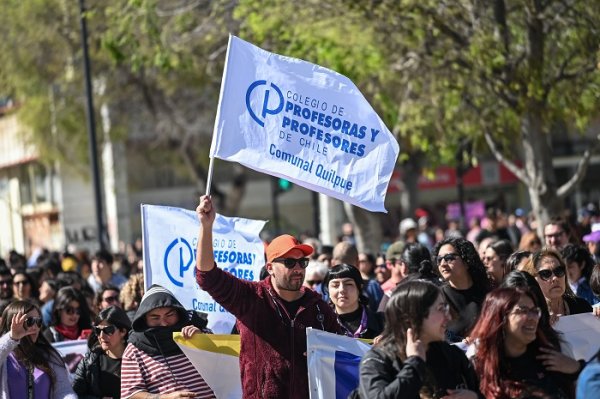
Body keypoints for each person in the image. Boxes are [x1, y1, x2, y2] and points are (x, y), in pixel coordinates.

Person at [195, 195, 341, 399]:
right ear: (270, 267)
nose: (298, 268)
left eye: (302, 263)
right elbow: (207, 277)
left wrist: (373, 345)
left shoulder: (318, 308)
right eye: (290, 262)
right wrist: (206, 226)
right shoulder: (250, 298)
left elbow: (344, 352)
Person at [357, 280, 481, 398]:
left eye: (446, 308)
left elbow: (479, 391)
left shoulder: (452, 355)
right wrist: (414, 364)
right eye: (440, 309)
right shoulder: (378, 360)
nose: (448, 317)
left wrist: (475, 397)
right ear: (412, 316)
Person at [470, 287, 582, 398]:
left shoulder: (548, 359)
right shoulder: (478, 369)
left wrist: (577, 369)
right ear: (500, 318)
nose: (533, 318)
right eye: (523, 311)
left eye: (534, 311)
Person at [120, 284, 215, 398]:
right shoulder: (134, 351)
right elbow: (130, 395)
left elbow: (225, 368)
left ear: (178, 313)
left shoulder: (199, 332)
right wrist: (164, 398)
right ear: (144, 319)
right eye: (155, 318)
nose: (164, 323)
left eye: (169, 315)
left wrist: (203, 341)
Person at [0, 300, 77, 398]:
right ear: (12, 323)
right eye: (30, 321)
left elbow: (64, 391)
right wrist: (12, 338)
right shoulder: (5, 356)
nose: (35, 327)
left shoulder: (50, 355)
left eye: (38, 322)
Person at [433, 237, 490, 342]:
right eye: (439, 259)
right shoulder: (437, 298)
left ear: (466, 261)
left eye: (449, 258)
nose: (442, 264)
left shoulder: (488, 294)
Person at [73, 306, 131, 399]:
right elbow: (76, 394)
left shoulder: (138, 360)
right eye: (98, 330)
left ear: (123, 331)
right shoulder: (89, 361)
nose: (101, 336)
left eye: (108, 330)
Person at [527, 248, 592, 321]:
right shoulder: (531, 316)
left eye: (559, 271)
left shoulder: (582, 307)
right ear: (533, 279)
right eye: (545, 274)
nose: (555, 278)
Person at [323, 264, 382, 339]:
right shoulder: (322, 325)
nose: (342, 290)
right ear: (328, 291)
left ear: (359, 288)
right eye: (335, 285)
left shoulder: (382, 322)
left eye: (348, 284)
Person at [331, 241, 383, 313]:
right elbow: (383, 317)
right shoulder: (373, 287)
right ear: (358, 263)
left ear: (332, 263)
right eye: (336, 285)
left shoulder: (322, 291)